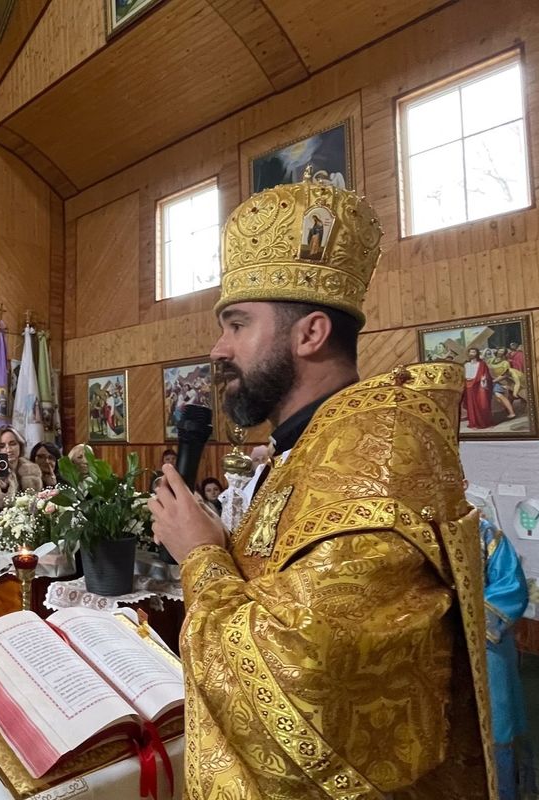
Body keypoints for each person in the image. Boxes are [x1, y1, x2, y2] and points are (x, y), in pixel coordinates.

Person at [148, 176, 493, 797]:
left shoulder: (377, 454)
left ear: (309, 334)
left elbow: (301, 676)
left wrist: (201, 558)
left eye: (237, 323)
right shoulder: (307, 447)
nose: (217, 348)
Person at [480, 518, 534, 799]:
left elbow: (511, 586)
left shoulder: (484, 531)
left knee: (498, 717)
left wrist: (468, 620)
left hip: (487, 643)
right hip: (435, 647)